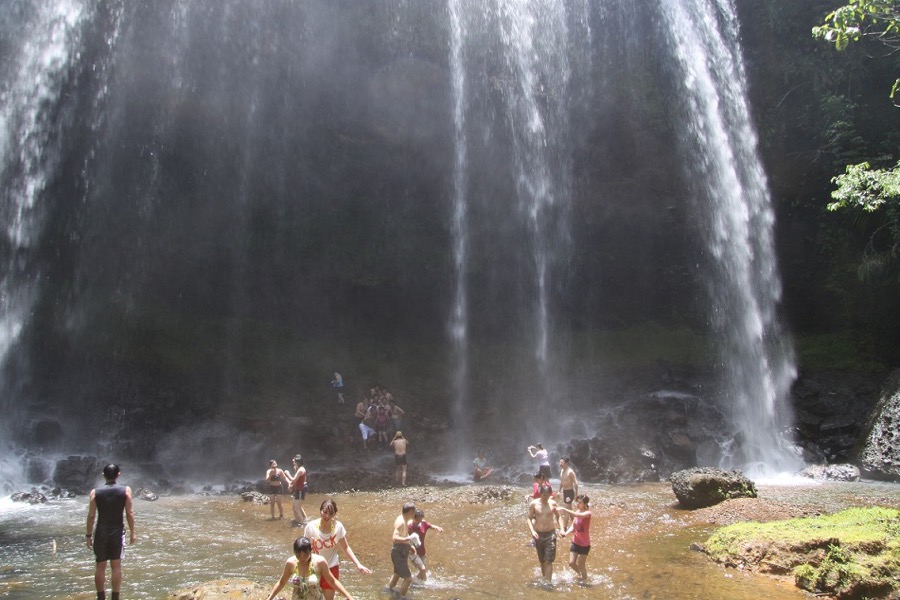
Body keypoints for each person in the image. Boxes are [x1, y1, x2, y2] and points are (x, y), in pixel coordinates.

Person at [303, 498, 371, 600]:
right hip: (313, 568)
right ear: (320, 510)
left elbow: (346, 547)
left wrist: (358, 564)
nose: (327, 516)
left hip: (331, 567)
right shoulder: (311, 527)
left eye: (331, 513)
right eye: (324, 512)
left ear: (335, 514)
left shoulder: (338, 527)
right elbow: (303, 549)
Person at [85, 463, 136, 600]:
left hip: (101, 531)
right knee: (116, 565)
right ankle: (115, 597)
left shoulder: (95, 492)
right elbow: (129, 512)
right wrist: (133, 532)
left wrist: (88, 535)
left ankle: (100, 597)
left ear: (103, 475)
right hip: (117, 532)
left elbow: (91, 516)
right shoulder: (126, 491)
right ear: (118, 475)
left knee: (100, 565)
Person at [265, 536, 355, 600]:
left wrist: (348, 596)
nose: (302, 558)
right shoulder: (291, 563)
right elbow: (281, 582)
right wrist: (270, 598)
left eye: (305, 554)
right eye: (298, 555)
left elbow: (332, 581)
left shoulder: (320, 562)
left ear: (311, 550)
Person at [527, 483, 561, 584]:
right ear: (540, 493)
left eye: (548, 494)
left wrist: (562, 529)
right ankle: (544, 578)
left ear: (551, 494)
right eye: (544, 494)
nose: (546, 496)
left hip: (551, 534)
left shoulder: (553, 504)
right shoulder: (534, 504)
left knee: (549, 560)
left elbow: (559, 516)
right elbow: (529, 518)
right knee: (542, 561)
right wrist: (532, 531)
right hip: (539, 534)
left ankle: (548, 583)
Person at [559, 494, 592, 583]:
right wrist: (565, 533)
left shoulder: (588, 513)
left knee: (581, 565)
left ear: (585, 504)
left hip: (585, 544)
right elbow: (573, 526)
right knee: (571, 563)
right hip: (576, 541)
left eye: (580, 502)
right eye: (577, 502)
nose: (578, 504)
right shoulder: (577, 511)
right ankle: (580, 575)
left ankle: (585, 582)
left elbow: (579, 515)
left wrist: (565, 509)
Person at [388, 502, 417, 598]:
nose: (415, 513)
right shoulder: (400, 522)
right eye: (414, 511)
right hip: (398, 551)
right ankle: (401, 597)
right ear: (410, 511)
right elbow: (394, 538)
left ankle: (390, 589)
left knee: (397, 573)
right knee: (408, 578)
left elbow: (404, 534)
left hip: (402, 550)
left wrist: (410, 545)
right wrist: (408, 540)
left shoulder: (406, 520)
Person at [407, 509, 443, 581]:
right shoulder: (409, 527)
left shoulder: (424, 524)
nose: (420, 522)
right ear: (414, 518)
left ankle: (413, 581)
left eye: (421, 519)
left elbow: (431, 526)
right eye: (418, 520)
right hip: (413, 552)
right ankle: (425, 585)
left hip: (422, 551)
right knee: (423, 569)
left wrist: (437, 528)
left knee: (423, 571)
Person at [558, 457, 579, 529]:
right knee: (569, 510)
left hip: (570, 492)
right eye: (560, 462)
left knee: (565, 510)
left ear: (566, 463)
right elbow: (562, 482)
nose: (560, 464)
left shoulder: (570, 472)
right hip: (565, 492)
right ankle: (576, 525)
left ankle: (564, 527)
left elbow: (576, 483)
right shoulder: (562, 471)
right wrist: (559, 491)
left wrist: (576, 495)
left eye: (561, 463)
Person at [288, 454, 309, 525]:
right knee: (295, 507)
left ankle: (302, 524)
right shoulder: (298, 469)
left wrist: (287, 474)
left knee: (296, 508)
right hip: (297, 489)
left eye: (294, 462)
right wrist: (291, 486)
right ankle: (304, 520)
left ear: (298, 462)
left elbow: (294, 480)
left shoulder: (301, 470)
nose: (293, 463)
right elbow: (296, 481)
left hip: (300, 490)